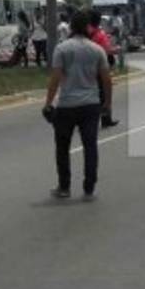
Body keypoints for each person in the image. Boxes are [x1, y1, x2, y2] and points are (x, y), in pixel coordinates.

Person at [44, 11, 111, 200]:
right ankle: (89, 187)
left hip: (66, 105)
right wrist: (107, 104)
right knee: (90, 146)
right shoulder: (97, 50)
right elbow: (106, 80)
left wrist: (48, 103)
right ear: (88, 27)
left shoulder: (62, 49)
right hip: (90, 105)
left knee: (62, 147)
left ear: (72, 27)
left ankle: (64, 187)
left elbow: (55, 78)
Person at [88, 10, 119, 128]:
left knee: (91, 94)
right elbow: (107, 50)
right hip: (100, 67)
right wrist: (116, 50)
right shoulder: (100, 34)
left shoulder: (86, 33)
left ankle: (88, 120)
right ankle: (106, 119)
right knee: (103, 94)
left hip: (87, 67)